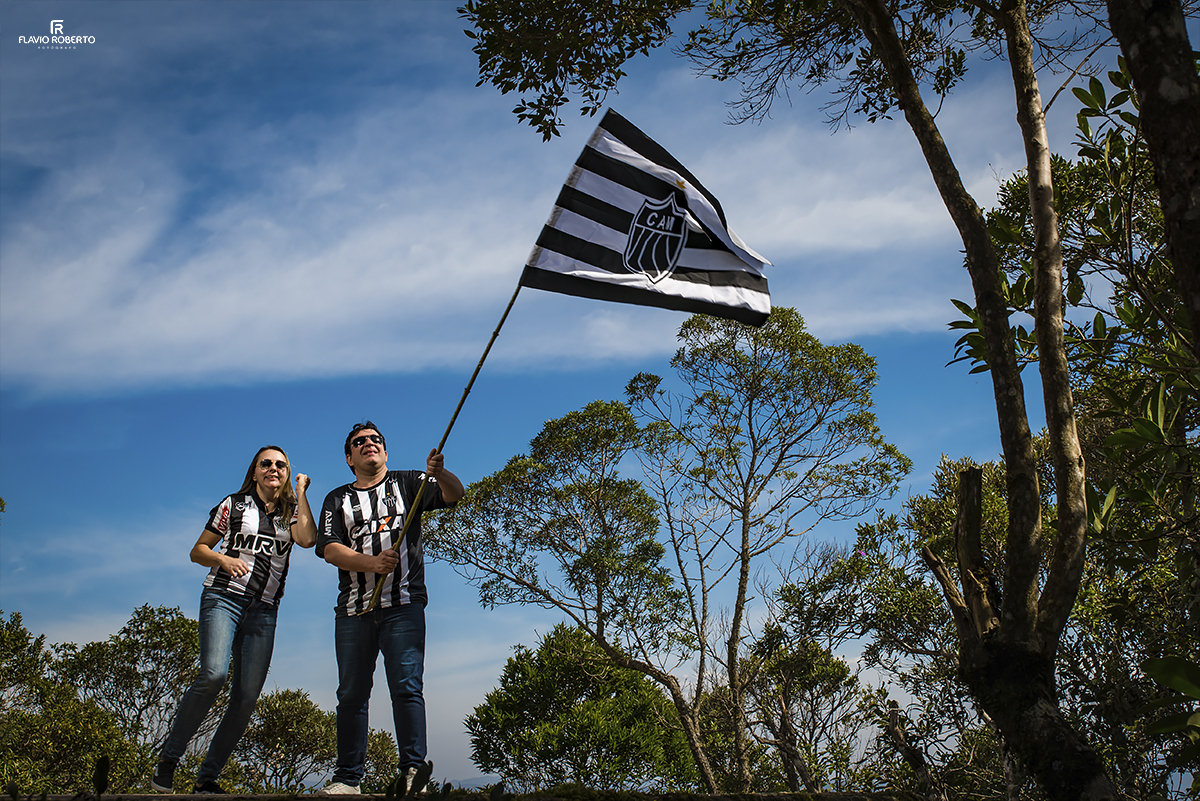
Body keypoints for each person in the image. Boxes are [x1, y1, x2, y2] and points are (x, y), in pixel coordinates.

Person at [151, 446, 317, 794]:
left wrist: (300, 492)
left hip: (265, 610)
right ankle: (168, 761)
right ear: (254, 471)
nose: (273, 469)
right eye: (266, 464)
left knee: (245, 698)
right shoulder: (234, 504)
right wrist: (223, 560)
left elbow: (307, 539)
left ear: (288, 472)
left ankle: (207, 778)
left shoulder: (291, 512)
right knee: (213, 675)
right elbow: (198, 550)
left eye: (281, 465)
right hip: (223, 598)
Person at [315, 422, 465, 796]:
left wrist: (440, 472)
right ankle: (348, 779)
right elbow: (329, 549)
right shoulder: (336, 499)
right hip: (354, 610)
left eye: (376, 440)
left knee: (407, 687)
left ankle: (413, 772)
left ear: (385, 450)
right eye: (359, 442)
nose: (369, 444)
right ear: (349, 458)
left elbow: (454, 495)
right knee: (351, 694)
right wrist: (372, 564)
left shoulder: (409, 482)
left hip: (404, 606)